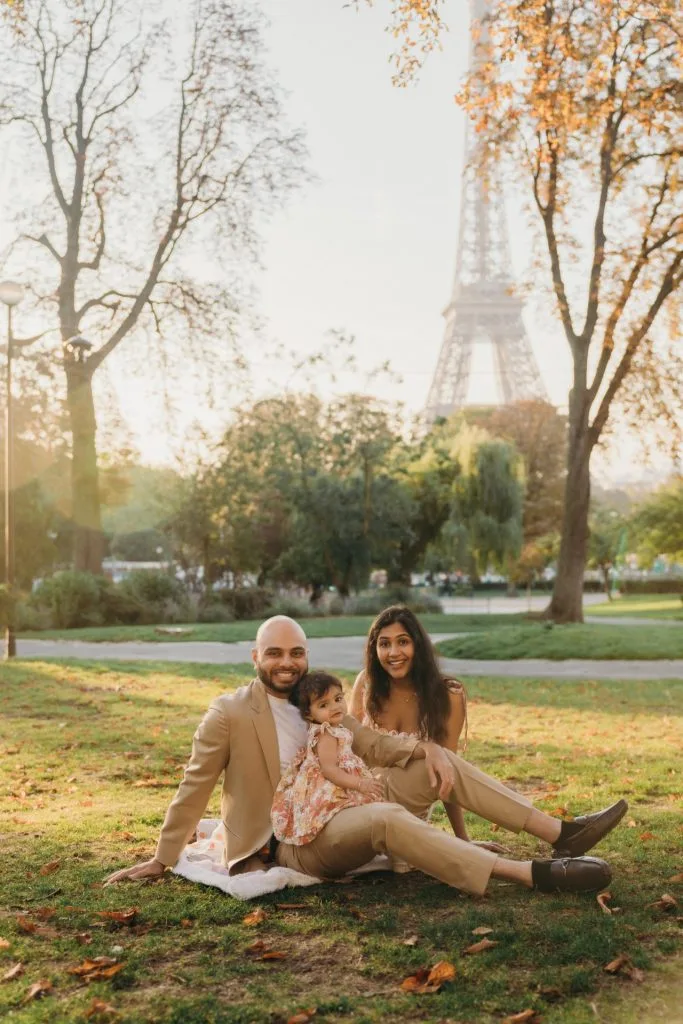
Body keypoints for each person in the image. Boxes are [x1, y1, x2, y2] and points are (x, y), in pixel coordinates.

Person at [105, 615, 626, 897]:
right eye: (275, 653)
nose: (287, 663)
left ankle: (563, 835)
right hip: (297, 839)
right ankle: (528, 875)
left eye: (296, 652)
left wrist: (424, 747)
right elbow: (193, 786)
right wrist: (163, 856)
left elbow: (372, 744)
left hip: (345, 798)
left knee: (436, 760)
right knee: (383, 817)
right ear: (255, 657)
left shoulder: (318, 700)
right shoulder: (230, 714)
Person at [350, 605, 495, 851]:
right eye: (384, 644)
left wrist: (464, 841)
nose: (393, 652)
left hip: (408, 814)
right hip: (359, 807)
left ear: (418, 645)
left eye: (403, 642)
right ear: (374, 650)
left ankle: (550, 829)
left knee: (439, 763)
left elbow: (447, 774)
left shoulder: (448, 695)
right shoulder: (367, 683)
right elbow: (346, 749)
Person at [271, 672, 384, 846]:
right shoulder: (326, 735)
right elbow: (329, 770)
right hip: (331, 787)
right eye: (324, 705)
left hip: (342, 780)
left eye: (338, 699)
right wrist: (360, 783)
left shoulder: (335, 728)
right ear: (309, 714)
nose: (334, 707)